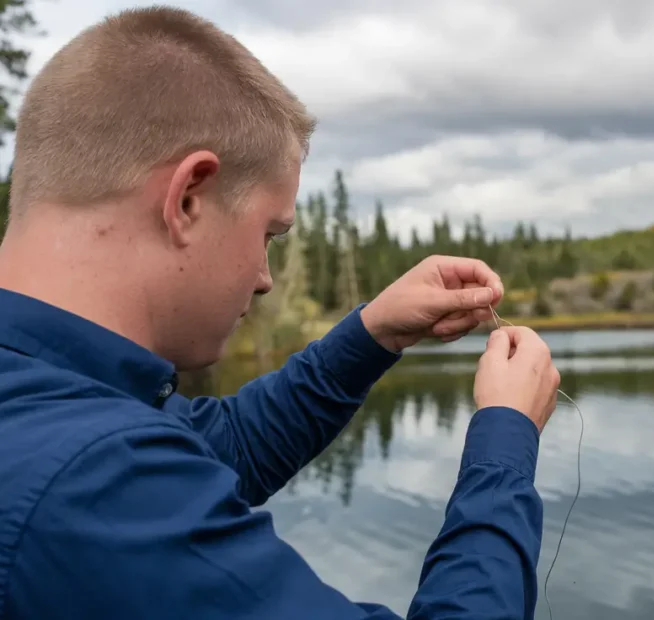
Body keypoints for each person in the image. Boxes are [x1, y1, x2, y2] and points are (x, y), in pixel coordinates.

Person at [0, 6, 561, 620]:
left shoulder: (45, 394)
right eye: (270, 233)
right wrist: (504, 440)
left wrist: (372, 334)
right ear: (188, 197)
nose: (265, 279)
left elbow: (222, 447)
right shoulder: (91, 485)